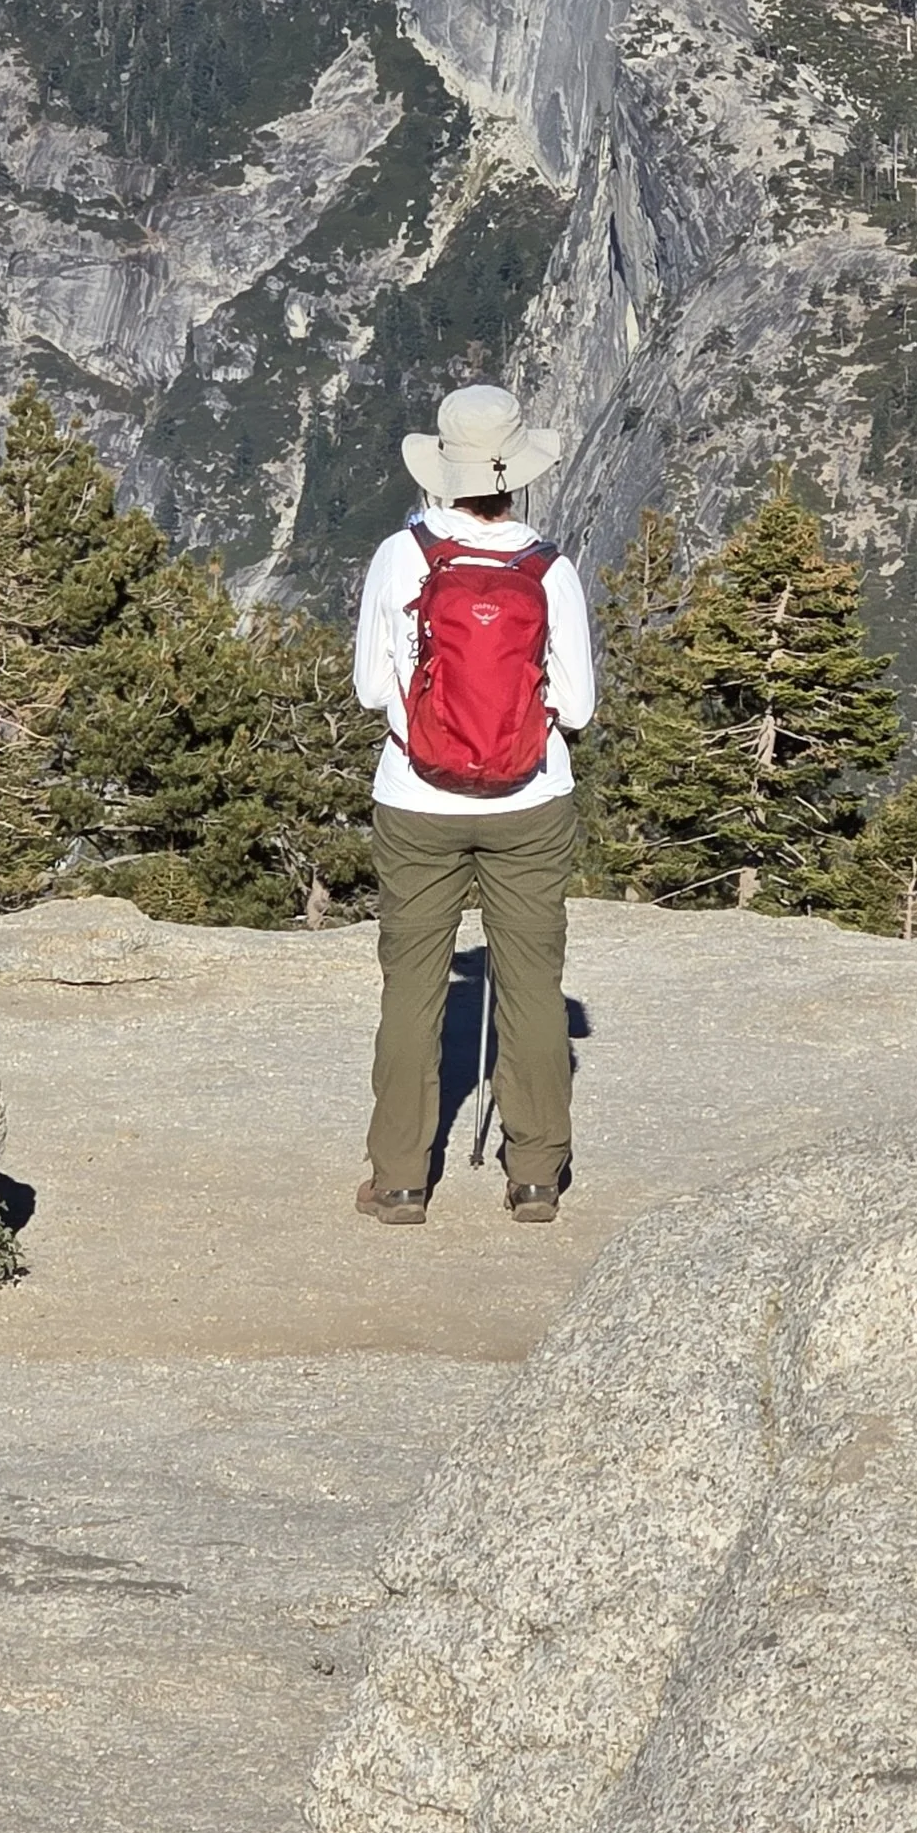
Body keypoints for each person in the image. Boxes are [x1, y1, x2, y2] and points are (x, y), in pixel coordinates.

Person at [351, 384, 595, 1228]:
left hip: (416, 798)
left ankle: (399, 1180)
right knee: (532, 985)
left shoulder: (401, 556)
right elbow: (581, 704)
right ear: (518, 472)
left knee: (411, 989)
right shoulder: (549, 569)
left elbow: (370, 687)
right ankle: (534, 1176)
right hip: (532, 801)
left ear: (444, 472)